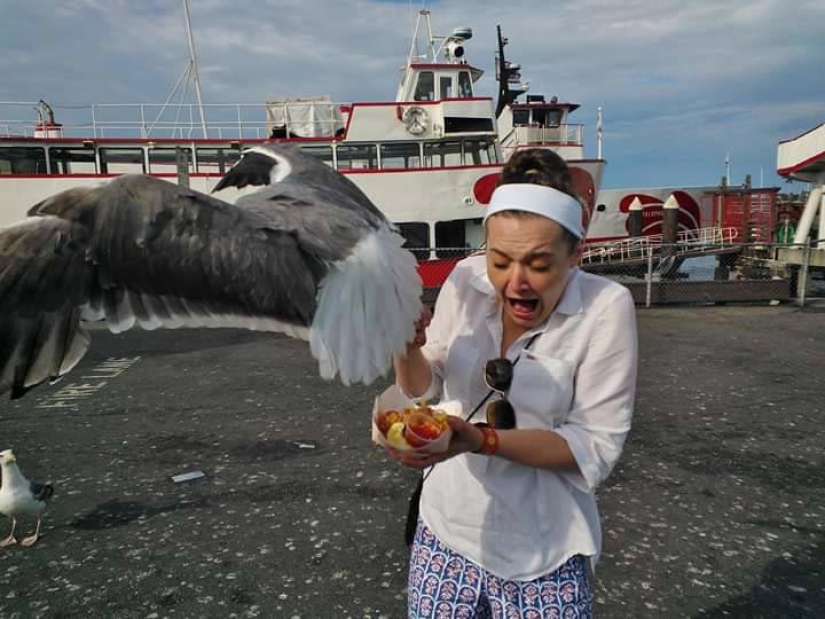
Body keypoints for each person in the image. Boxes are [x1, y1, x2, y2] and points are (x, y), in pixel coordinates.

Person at [387, 148, 638, 618]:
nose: (515, 282)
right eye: (500, 261)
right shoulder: (464, 279)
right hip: (446, 532)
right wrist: (405, 345)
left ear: (576, 253)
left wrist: (481, 439)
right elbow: (425, 387)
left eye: (539, 265)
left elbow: (594, 448)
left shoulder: (606, 307)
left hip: (545, 550)